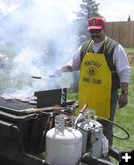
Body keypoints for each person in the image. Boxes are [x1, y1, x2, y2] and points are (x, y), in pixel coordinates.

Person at [52, 17, 130, 147]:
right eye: (92, 31)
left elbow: (124, 71)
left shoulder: (115, 48)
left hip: (106, 97)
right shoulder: (84, 47)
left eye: (97, 31)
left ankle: (105, 153)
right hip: (87, 97)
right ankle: (85, 150)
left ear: (104, 29)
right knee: (83, 125)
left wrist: (124, 93)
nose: (94, 34)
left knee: (105, 127)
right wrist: (59, 70)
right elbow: (73, 65)